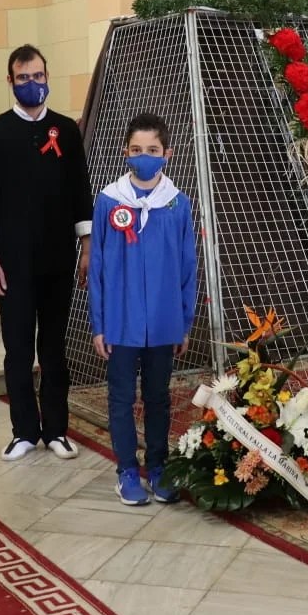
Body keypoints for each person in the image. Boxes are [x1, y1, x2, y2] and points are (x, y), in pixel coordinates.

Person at [0, 44, 92, 462]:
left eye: (38, 76)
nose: (32, 84)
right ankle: (23, 430)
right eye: (23, 78)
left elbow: (80, 191)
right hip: (12, 263)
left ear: (47, 77)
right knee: (18, 349)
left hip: (58, 259)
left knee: (55, 349)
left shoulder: (67, 131)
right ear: (10, 82)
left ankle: (56, 430)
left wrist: (87, 248)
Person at [89, 113, 198, 505]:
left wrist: (184, 323)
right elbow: (97, 267)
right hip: (120, 322)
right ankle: (126, 471)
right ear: (125, 153)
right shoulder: (109, 201)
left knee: (158, 396)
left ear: (167, 154)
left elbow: (188, 266)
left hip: (164, 322)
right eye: (137, 150)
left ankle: (158, 466)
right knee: (120, 397)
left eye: (153, 150)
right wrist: (98, 324)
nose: (145, 157)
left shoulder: (177, 204)